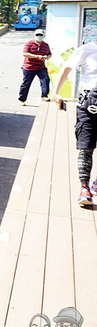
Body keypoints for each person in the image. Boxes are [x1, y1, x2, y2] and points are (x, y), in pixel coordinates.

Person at [53, 38, 97, 205]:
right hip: (89, 105)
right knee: (86, 147)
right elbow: (65, 69)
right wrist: (56, 93)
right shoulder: (86, 50)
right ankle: (84, 188)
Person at [18, 29, 52, 105]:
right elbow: (25, 54)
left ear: (43, 36)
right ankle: (22, 99)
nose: (39, 37)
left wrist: (46, 56)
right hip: (29, 67)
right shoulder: (29, 44)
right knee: (26, 83)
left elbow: (49, 54)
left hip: (41, 67)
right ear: (34, 35)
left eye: (41, 35)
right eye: (37, 35)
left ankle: (44, 95)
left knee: (45, 79)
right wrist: (36, 56)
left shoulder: (45, 45)